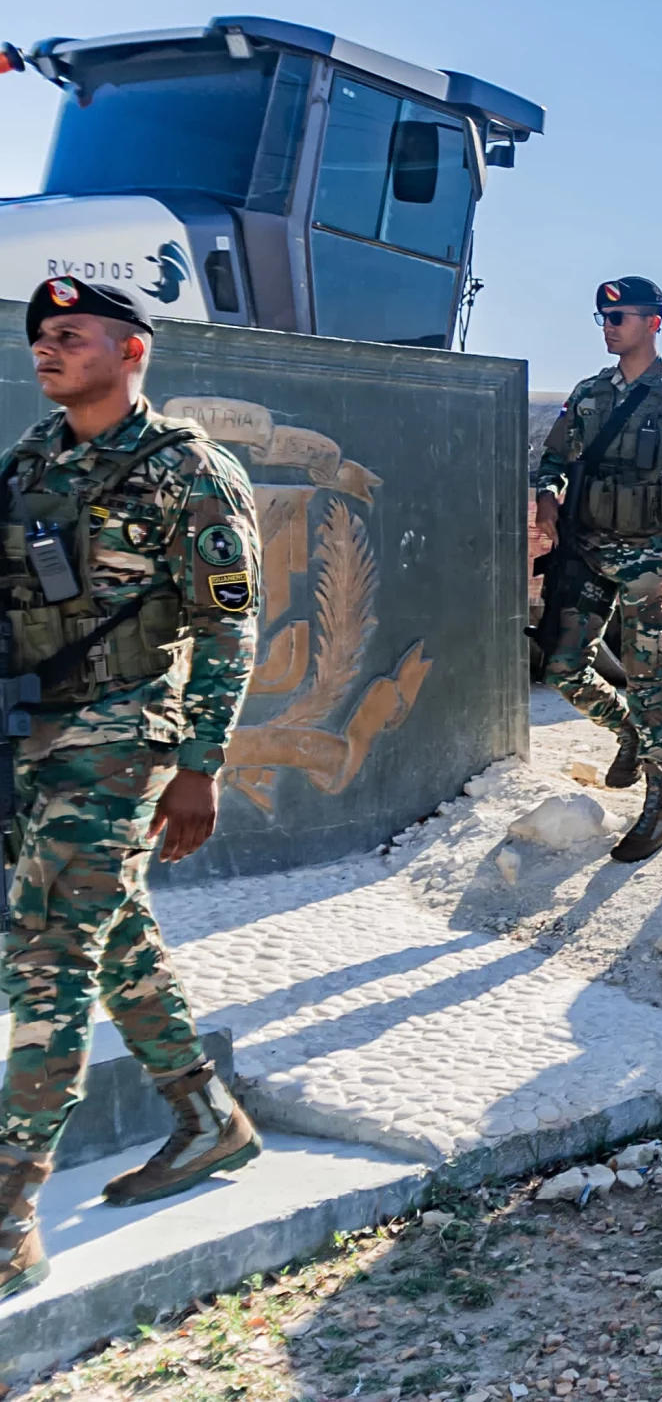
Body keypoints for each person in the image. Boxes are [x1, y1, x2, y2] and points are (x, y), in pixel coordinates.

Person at [1, 280, 266, 1301]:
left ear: (132, 349)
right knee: (108, 931)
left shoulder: (188, 470)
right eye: (39, 338)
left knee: (48, 956)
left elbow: (228, 625)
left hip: (119, 741)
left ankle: (9, 1213)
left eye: (70, 335)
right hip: (27, 734)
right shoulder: (31, 461)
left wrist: (200, 765)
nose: (47, 350)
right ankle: (206, 1117)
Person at [533, 276, 662, 863]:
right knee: (564, 668)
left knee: (648, 677)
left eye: (620, 317)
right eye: (603, 318)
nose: (609, 327)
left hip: (647, 557)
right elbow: (554, 457)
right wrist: (548, 492)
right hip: (585, 550)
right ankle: (626, 734)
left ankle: (661, 807)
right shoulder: (589, 393)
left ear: (654, 323)